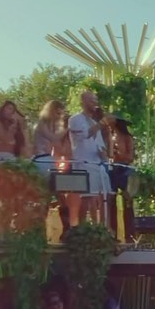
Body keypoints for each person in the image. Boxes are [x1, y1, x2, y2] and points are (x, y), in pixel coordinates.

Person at [67, 90, 111, 227]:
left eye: (96, 100)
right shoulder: (75, 119)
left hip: (97, 165)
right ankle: (81, 229)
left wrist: (105, 153)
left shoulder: (94, 122)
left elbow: (100, 146)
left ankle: (102, 228)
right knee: (86, 199)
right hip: (83, 164)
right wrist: (101, 124)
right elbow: (84, 135)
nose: (95, 103)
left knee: (106, 196)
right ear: (83, 102)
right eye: (92, 100)